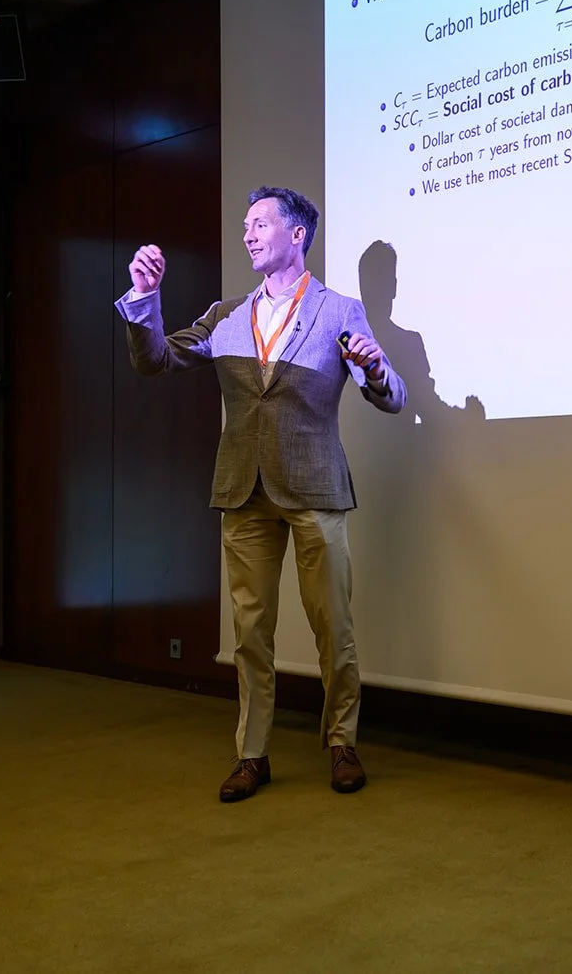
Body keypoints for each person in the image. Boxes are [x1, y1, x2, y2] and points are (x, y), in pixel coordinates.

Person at [115, 186, 407, 802]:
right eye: (245, 225)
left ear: (296, 234)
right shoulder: (226, 315)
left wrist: (378, 370)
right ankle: (252, 754)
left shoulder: (339, 310)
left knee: (333, 627)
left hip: (315, 486)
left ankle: (342, 742)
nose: (247, 233)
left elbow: (391, 396)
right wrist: (145, 298)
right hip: (242, 488)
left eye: (259, 224)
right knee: (249, 632)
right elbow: (156, 361)